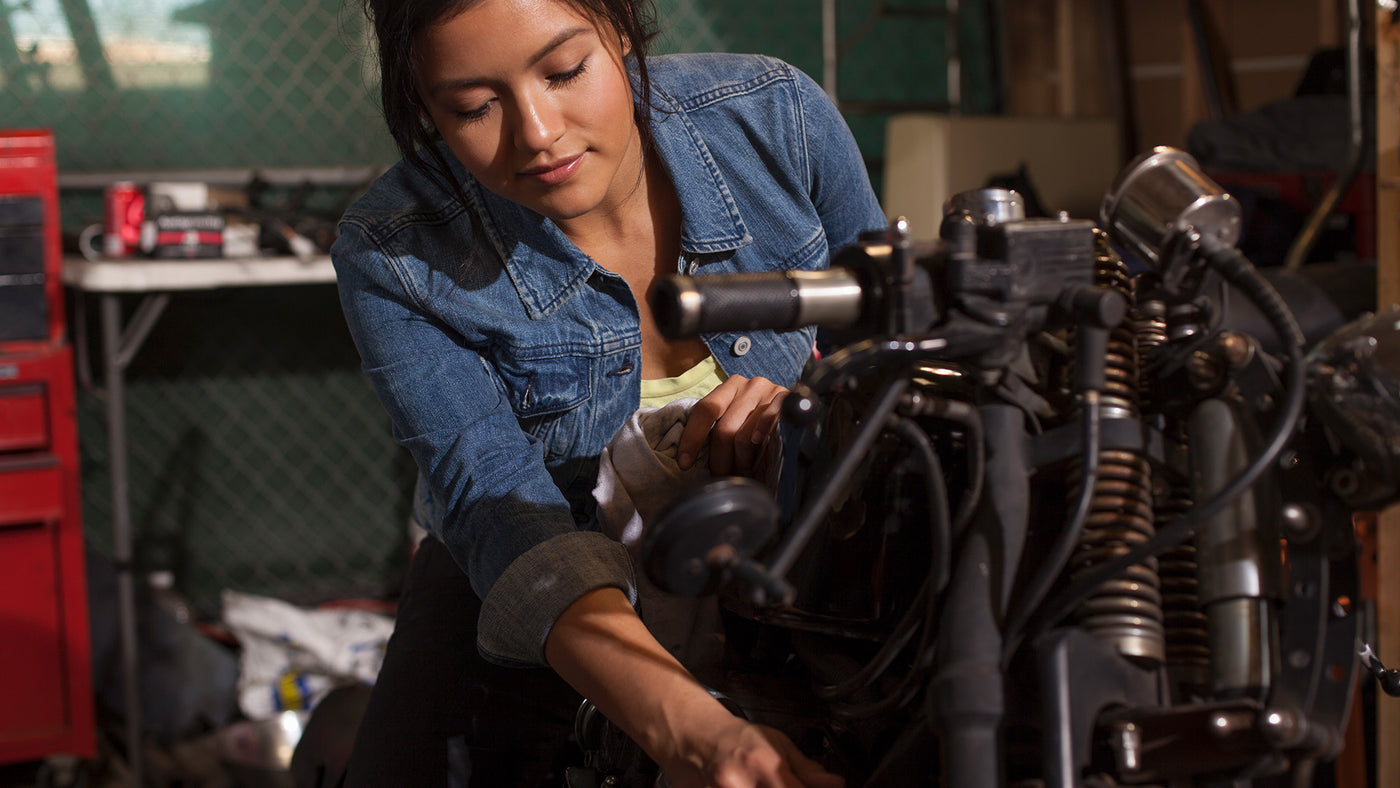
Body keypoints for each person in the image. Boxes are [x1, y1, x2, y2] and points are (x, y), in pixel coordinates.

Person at [331, 0, 886, 784]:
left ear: (620, 31)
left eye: (564, 72)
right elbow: (496, 506)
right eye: (474, 107)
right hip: (538, 588)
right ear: (425, 110)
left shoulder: (775, 118)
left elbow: (896, 359)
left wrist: (811, 415)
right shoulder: (394, 251)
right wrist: (698, 734)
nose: (538, 133)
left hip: (799, 563)